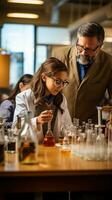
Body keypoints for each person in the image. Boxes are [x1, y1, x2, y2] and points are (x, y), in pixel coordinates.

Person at [52, 22, 112, 124]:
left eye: (89, 49)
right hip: (59, 121)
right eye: (80, 47)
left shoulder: (108, 63)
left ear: (100, 46)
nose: (83, 52)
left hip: (90, 125)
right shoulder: (59, 55)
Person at [13, 57, 72, 144]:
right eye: (58, 81)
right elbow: (16, 128)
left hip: (53, 150)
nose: (61, 86)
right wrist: (37, 121)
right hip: (32, 150)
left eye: (64, 82)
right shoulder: (23, 97)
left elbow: (68, 126)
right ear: (44, 77)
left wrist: (75, 133)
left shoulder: (61, 99)